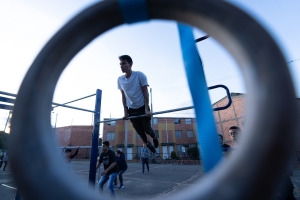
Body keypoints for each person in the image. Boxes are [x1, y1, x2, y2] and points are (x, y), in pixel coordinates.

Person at [117, 55, 158, 153]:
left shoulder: (139, 75)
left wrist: (146, 109)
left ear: (130, 64)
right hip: (132, 109)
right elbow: (123, 96)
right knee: (140, 132)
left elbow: (145, 92)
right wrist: (125, 112)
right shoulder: (120, 79)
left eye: (124, 64)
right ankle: (147, 144)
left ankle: (154, 137)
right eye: (120, 64)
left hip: (142, 106)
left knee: (147, 129)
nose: (121, 66)